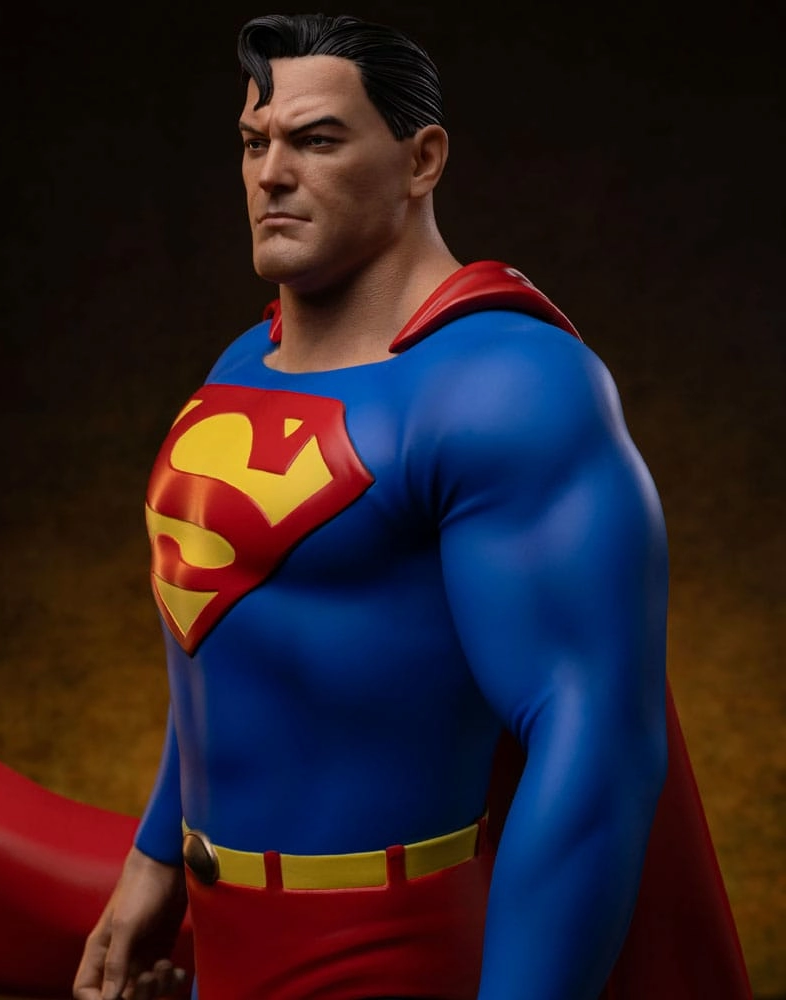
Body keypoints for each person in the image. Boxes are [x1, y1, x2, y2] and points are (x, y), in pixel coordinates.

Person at [68, 13, 715, 1000]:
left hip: (393, 952)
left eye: (316, 139)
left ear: (421, 159)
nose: (270, 175)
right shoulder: (242, 364)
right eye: (253, 142)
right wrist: (155, 855)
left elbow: (592, 743)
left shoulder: (506, 387)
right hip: (224, 941)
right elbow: (226, 645)